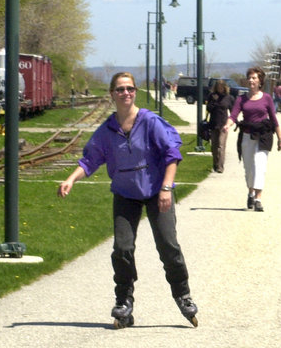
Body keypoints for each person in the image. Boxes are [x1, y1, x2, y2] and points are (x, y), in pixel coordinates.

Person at [57, 72, 199, 328]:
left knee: (168, 245)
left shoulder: (150, 122)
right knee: (122, 249)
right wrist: (70, 179)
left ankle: (183, 294)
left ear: (135, 91)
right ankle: (124, 301)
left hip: (157, 191)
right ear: (112, 94)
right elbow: (90, 160)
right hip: (125, 193)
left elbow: (172, 154)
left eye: (130, 88)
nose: (125, 93)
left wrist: (166, 188)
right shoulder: (107, 130)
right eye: (120, 89)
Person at [225, 66, 281, 212]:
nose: (251, 80)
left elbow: (274, 119)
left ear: (260, 81)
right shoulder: (241, 99)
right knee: (249, 168)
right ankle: (250, 192)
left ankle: (258, 199)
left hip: (263, 135)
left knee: (260, 165)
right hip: (247, 134)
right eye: (249, 78)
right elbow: (233, 115)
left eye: (254, 78)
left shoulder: (267, 98)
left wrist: (280, 138)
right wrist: (227, 124)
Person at [205, 79, 234, 173]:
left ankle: (220, 167)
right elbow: (208, 109)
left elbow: (233, 111)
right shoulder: (212, 96)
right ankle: (215, 164)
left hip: (223, 124)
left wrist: (232, 122)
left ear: (225, 88)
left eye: (221, 88)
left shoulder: (228, 98)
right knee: (214, 146)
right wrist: (214, 102)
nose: (220, 89)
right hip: (213, 124)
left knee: (221, 146)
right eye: (218, 87)